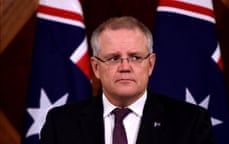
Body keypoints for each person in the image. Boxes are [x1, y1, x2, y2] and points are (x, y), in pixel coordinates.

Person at [39, 16, 215, 144]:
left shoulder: (190, 122)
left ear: (151, 64)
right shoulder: (60, 123)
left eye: (136, 57)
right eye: (114, 58)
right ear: (96, 67)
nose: (125, 67)